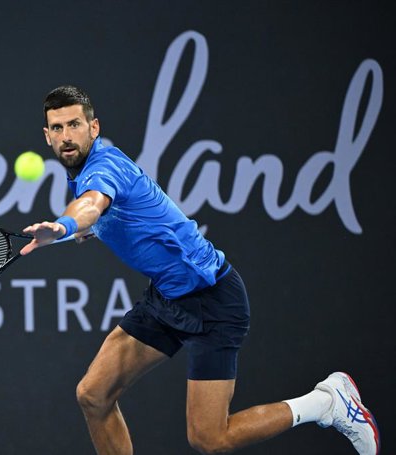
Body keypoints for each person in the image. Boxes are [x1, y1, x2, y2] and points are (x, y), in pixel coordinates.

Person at [20, 85, 380, 455]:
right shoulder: (81, 171)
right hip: (167, 295)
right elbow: (105, 215)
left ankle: (326, 403)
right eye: (58, 128)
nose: (67, 137)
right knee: (93, 395)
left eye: (74, 125)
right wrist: (87, 230)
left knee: (209, 438)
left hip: (212, 298)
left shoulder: (104, 166)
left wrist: (64, 227)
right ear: (47, 136)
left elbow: (91, 205)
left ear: (94, 128)